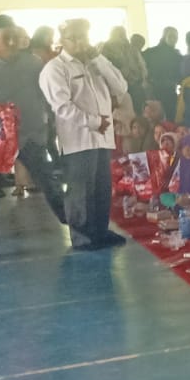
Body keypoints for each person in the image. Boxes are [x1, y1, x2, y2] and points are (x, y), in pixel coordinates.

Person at [0, 16, 67, 260]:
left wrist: (49, 120)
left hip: (31, 136)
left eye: (14, 35)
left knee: (50, 184)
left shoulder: (33, 64)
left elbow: (46, 96)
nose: (11, 41)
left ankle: (78, 228)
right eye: (4, 36)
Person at [36, 19, 129, 252]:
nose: (79, 43)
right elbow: (62, 106)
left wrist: (98, 60)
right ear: (62, 41)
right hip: (78, 138)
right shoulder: (55, 68)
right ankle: (82, 236)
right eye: (73, 38)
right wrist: (95, 122)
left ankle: (100, 231)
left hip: (102, 137)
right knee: (80, 189)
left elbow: (121, 88)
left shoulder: (96, 62)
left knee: (101, 187)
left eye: (83, 37)